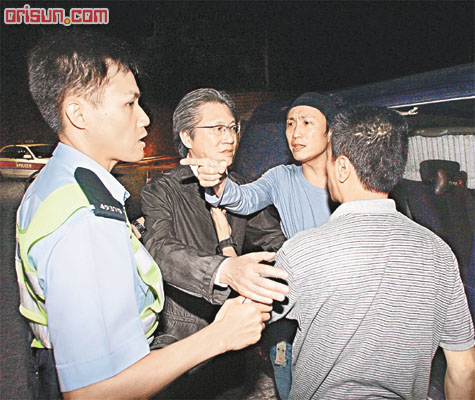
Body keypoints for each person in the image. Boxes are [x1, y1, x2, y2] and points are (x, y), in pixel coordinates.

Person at [15, 30, 276, 400]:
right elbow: (90, 393)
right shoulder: (87, 219)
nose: (145, 119)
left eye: (232, 128)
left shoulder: (60, 183)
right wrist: (219, 335)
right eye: (129, 104)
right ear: (78, 113)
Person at [271, 106, 475, 399]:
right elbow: (464, 369)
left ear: (342, 168)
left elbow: (248, 321)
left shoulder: (302, 251)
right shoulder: (440, 255)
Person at [181, 92, 338, 399]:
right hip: (297, 304)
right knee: (290, 378)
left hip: (344, 300)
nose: (295, 133)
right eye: (290, 123)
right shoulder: (281, 178)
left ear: (330, 131)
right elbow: (243, 197)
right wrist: (217, 182)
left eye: (307, 123)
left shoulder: (347, 176)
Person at [140, 88, 289, 397]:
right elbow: (160, 249)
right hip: (181, 340)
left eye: (233, 127)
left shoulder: (241, 188)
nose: (230, 137)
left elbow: (274, 241)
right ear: (187, 136)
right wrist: (224, 270)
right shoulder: (161, 191)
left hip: (238, 339)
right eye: (217, 128)